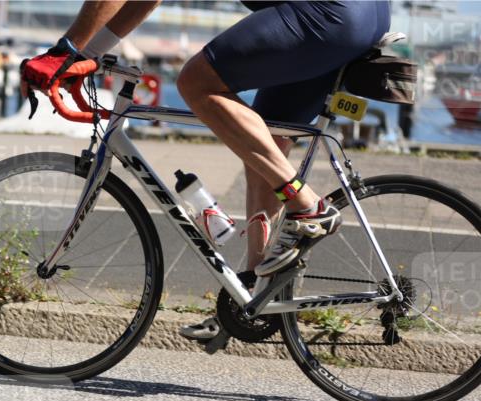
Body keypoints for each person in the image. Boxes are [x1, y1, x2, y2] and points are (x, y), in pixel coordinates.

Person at [20, 1, 391, 340]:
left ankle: (307, 206)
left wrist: (66, 53)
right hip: (362, 15)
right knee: (265, 143)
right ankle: (253, 295)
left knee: (196, 82)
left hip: (329, 13)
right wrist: (89, 54)